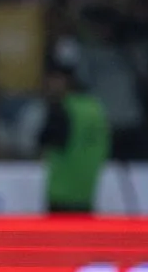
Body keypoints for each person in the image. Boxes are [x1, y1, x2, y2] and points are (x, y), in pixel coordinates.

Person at [40, 58, 111, 213]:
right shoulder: (96, 108)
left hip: (62, 193)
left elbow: (46, 140)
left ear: (64, 81)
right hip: (87, 193)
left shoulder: (63, 109)